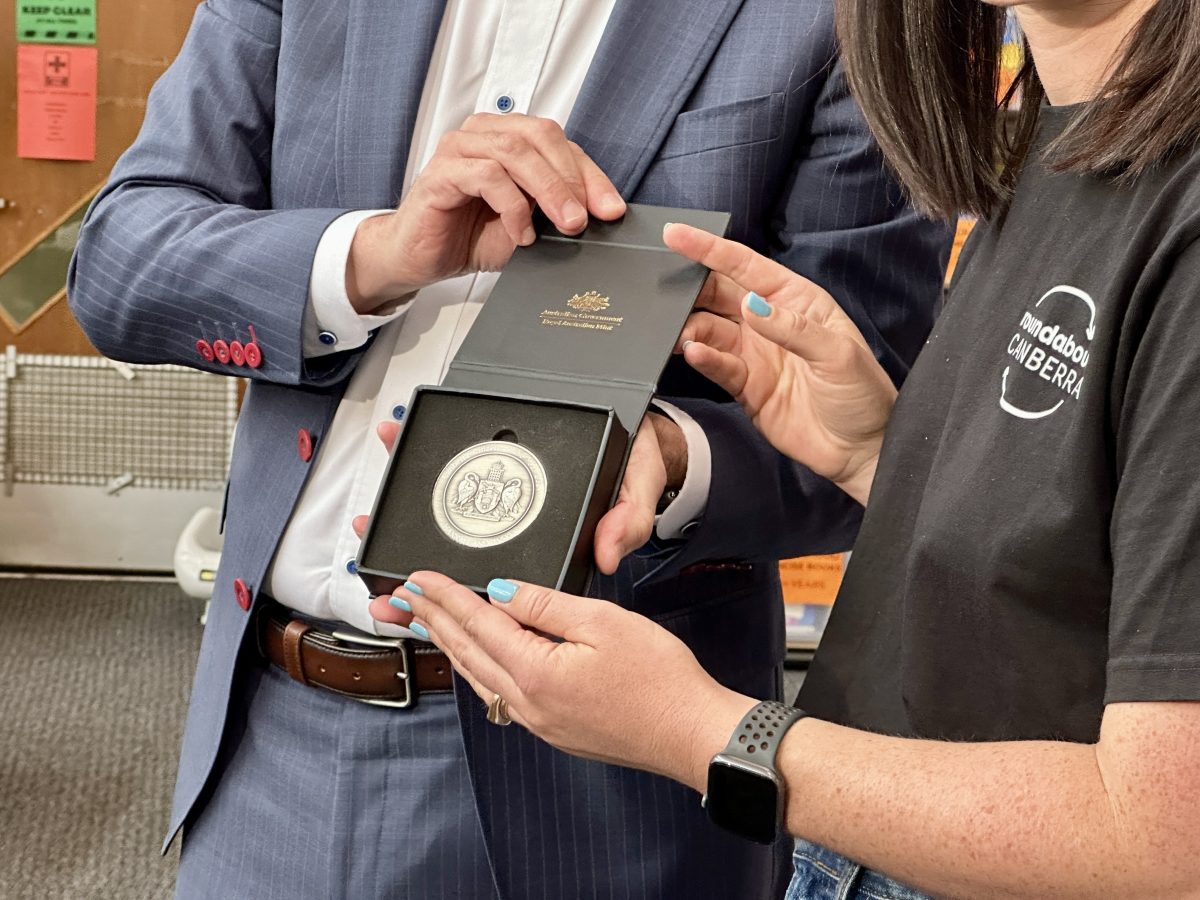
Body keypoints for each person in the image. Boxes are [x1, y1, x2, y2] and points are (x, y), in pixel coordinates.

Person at [66, 0, 949, 897]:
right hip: (269, 739)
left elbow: (876, 422)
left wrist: (672, 455)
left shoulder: (832, 18)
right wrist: (375, 256)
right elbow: (119, 259)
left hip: (607, 787)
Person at [370, 0, 1200, 897]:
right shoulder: (1058, 138)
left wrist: (703, 732)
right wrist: (880, 455)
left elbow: (1162, 839)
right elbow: (1085, 581)